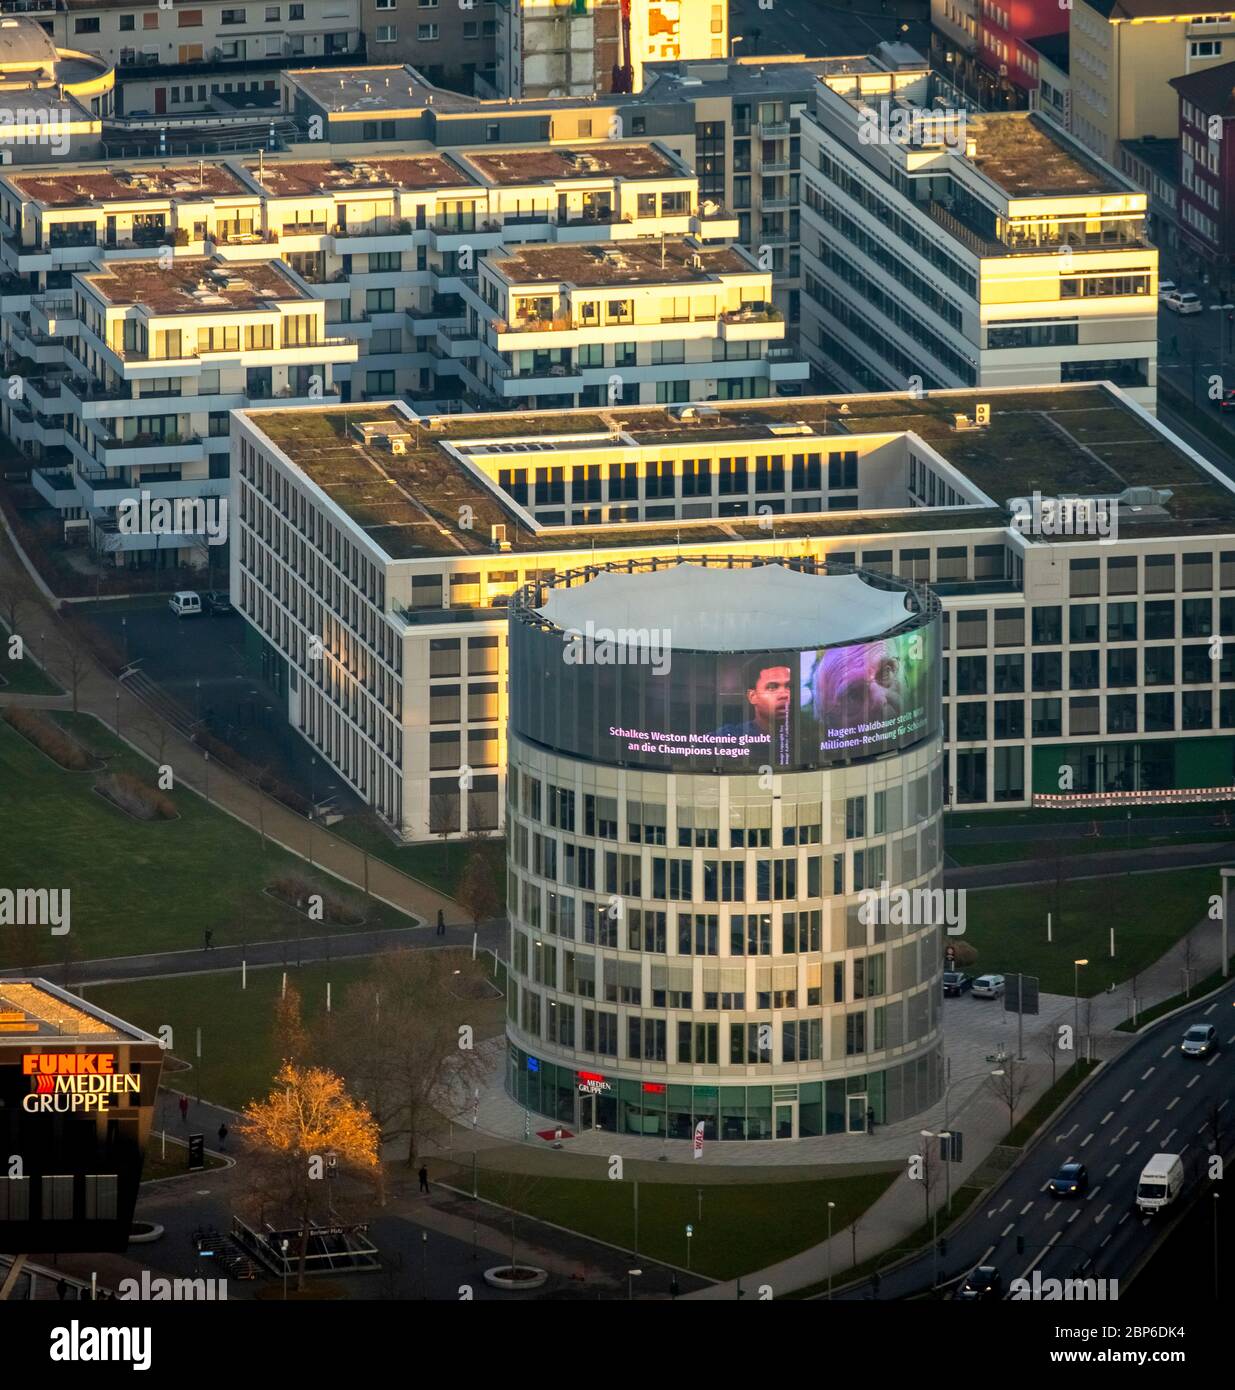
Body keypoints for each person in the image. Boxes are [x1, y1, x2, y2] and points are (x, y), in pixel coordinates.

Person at [713, 657, 794, 763]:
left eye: (788, 686)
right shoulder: (728, 737)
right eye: (772, 687)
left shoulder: (807, 736)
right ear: (752, 696)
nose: (784, 695)